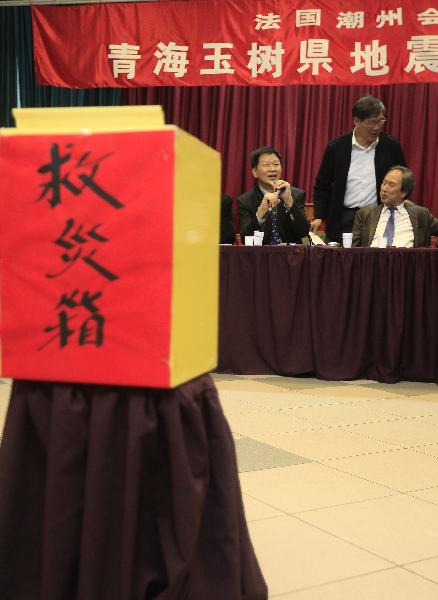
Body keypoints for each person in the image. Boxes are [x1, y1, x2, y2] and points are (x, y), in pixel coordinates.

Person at [312, 95, 406, 243]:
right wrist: (319, 216)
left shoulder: (391, 146)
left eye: (381, 121)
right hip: (343, 217)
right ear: (356, 121)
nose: (377, 127)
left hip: (378, 217)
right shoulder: (336, 147)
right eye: (372, 122)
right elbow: (322, 185)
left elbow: (404, 180)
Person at [238, 146, 309, 245]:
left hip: (290, 253)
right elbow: (246, 239)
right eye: (266, 165)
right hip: (261, 253)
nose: (272, 169)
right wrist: (260, 213)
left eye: (276, 164)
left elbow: (304, 233)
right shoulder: (246, 200)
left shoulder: (296, 195)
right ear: (254, 172)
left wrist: (290, 202)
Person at [352, 166, 438, 247]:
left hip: (407, 257)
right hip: (372, 257)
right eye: (384, 183)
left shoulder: (421, 214)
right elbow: (353, 249)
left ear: (404, 192)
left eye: (391, 185)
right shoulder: (365, 214)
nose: (384, 189)